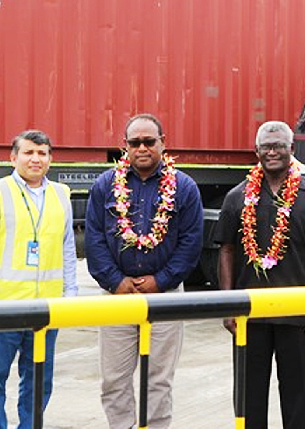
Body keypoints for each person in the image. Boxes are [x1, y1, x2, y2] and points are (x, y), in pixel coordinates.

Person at [214, 120, 305, 429]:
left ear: (291, 150)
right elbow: (227, 249)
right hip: (250, 313)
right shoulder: (237, 197)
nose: (272, 152)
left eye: (279, 146)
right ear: (256, 151)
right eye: (266, 147)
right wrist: (229, 304)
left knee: (296, 393)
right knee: (249, 395)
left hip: (297, 314)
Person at [84, 113, 203, 429]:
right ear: (125, 146)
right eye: (134, 142)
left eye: (149, 141)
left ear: (163, 143)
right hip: (115, 296)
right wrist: (115, 281)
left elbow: (191, 244)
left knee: (159, 380)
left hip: (165, 296)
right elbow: (93, 238)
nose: (142, 148)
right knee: (113, 379)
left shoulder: (184, 187)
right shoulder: (105, 185)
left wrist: (160, 281)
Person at [0, 130, 77, 429]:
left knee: (39, 381)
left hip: (46, 308)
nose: (35, 159)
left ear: (50, 159)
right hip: (4, 307)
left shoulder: (60, 195)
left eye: (42, 153)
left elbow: (67, 246)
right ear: (13, 157)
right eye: (28, 152)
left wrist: (70, 295)